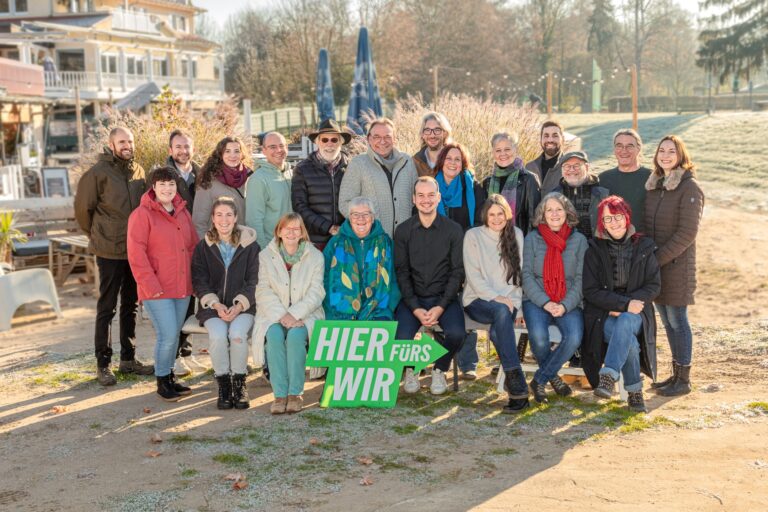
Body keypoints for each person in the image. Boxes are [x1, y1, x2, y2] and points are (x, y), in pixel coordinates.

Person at [74, 126, 154, 386]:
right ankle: (103, 364)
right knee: (106, 307)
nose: (127, 145)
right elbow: (83, 210)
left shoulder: (139, 171)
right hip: (109, 250)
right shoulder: (97, 173)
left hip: (134, 250)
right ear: (111, 145)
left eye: (130, 141)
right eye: (121, 141)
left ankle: (128, 360)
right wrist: (98, 236)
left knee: (130, 306)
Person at [582, 196, 661, 412]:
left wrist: (627, 307)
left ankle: (608, 375)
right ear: (602, 223)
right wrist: (620, 305)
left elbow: (653, 286)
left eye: (617, 216)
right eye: (607, 219)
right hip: (604, 314)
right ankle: (635, 394)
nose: (613, 222)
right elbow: (590, 290)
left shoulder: (644, 246)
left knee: (627, 321)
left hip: (637, 313)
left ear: (626, 217)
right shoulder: (594, 250)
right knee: (630, 344)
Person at [127, 167, 199, 401]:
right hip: (157, 288)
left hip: (182, 286)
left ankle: (169, 376)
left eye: (171, 184)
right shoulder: (142, 214)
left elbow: (192, 247)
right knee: (167, 335)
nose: (167, 189)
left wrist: (196, 280)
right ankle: (161, 381)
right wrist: (149, 285)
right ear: (153, 187)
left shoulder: (182, 212)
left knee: (174, 334)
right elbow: (136, 254)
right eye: (162, 185)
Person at [644, 135, 704, 397]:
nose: (665, 155)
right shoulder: (656, 186)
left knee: (678, 320)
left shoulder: (690, 188)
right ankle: (675, 375)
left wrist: (657, 258)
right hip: (657, 267)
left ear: (681, 156)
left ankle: (684, 379)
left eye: (671, 151)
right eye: (662, 151)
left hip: (677, 266)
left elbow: (688, 233)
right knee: (667, 322)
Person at [394, 176, 465, 395]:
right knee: (401, 337)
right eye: (421, 196)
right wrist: (415, 307)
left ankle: (439, 369)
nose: (426, 200)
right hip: (412, 299)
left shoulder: (453, 230)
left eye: (431, 195)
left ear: (438, 198)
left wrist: (441, 306)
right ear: (414, 199)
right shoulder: (403, 231)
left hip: (444, 298)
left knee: (456, 334)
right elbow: (402, 273)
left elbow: (457, 272)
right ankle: (411, 369)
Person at [191, 197, 260, 410]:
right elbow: (199, 281)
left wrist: (239, 306)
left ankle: (239, 384)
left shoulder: (250, 246)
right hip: (213, 308)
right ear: (212, 218)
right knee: (219, 336)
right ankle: (223, 385)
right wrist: (216, 304)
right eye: (219, 215)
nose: (224, 219)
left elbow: (254, 280)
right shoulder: (203, 247)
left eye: (229, 214)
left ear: (236, 218)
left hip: (244, 307)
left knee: (237, 336)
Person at [253, 213, 325, 414]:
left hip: (306, 314)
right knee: (274, 335)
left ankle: (295, 393)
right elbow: (263, 290)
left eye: (296, 228)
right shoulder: (266, 256)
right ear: (279, 231)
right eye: (287, 228)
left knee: (295, 336)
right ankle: (280, 394)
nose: (292, 233)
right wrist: (282, 316)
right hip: (273, 314)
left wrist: (295, 314)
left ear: (302, 232)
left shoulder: (315, 256)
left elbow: (316, 291)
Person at [463, 194, 528, 412]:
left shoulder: (516, 235)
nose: (496, 218)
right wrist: (497, 297)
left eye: (500, 214)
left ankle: (518, 391)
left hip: (508, 303)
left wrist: (516, 304)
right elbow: (473, 276)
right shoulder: (473, 236)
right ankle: (517, 382)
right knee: (500, 311)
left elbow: (521, 274)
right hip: (478, 300)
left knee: (497, 331)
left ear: (507, 215)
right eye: (492, 214)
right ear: (485, 216)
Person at [522, 192, 587, 403]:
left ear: (567, 213)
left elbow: (581, 279)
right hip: (537, 300)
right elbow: (527, 276)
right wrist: (546, 302)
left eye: (559, 209)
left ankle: (539, 379)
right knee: (539, 338)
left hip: (568, 301)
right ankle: (554, 379)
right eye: (549, 209)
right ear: (542, 214)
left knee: (574, 337)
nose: (554, 213)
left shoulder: (579, 241)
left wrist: (565, 305)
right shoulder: (532, 238)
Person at [434, 142, 485, 379]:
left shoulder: (473, 188)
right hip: (439, 258)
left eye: (458, 159)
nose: (453, 163)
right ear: (441, 160)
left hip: (468, 256)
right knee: (441, 303)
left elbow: (481, 223)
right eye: (449, 158)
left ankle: (467, 362)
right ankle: (439, 360)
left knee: (465, 304)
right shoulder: (431, 188)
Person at [158, 129, 204, 377]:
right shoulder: (164, 176)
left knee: (191, 301)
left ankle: (185, 354)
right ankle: (173, 356)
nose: (183, 151)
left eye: (187, 146)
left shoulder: (201, 174)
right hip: (175, 247)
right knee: (177, 302)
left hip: (199, 244)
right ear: (170, 150)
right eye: (178, 146)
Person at [338, 118, 418, 237]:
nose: (382, 141)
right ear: (369, 139)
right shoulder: (358, 164)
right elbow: (345, 204)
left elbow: (416, 199)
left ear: (394, 139)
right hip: (373, 241)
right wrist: (364, 229)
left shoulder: (407, 161)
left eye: (387, 137)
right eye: (376, 137)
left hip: (405, 239)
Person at [323, 197, 400, 320]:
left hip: (379, 311)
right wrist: (330, 307)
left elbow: (397, 276)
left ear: (373, 217)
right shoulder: (336, 243)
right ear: (349, 218)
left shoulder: (386, 243)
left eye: (366, 214)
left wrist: (390, 306)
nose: (361, 219)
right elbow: (323, 276)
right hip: (339, 311)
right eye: (355, 214)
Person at [292, 119, 351, 249]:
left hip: (346, 239)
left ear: (341, 142)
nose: (329, 144)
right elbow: (299, 207)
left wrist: (346, 229)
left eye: (334, 140)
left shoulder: (351, 167)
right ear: (317, 142)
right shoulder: (302, 169)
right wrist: (329, 227)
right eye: (324, 140)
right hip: (315, 242)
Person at [482, 131, 541, 235]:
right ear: (493, 153)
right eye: (498, 150)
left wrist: (527, 247)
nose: (503, 154)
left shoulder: (528, 179)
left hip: (519, 243)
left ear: (515, 150)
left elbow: (534, 220)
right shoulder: (487, 182)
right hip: (492, 243)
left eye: (507, 149)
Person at [193, 136, 251, 238]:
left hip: (245, 243)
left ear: (242, 154)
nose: (232, 155)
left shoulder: (250, 178)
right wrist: (208, 248)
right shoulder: (208, 181)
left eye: (236, 151)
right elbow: (199, 222)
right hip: (219, 245)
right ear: (220, 154)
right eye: (227, 151)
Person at [599, 129, 652, 232]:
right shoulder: (603, 179)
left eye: (629, 146)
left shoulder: (652, 177)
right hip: (613, 243)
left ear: (639, 148)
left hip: (645, 242)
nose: (624, 150)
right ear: (614, 149)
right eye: (619, 146)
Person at [246, 132, 293, 246]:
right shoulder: (258, 179)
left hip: (292, 245)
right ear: (264, 150)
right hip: (271, 247)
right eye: (272, 147)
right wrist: (263, 251)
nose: (278, 150)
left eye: (282, 146)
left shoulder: (291, 174)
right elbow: (254, 220)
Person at [555, 150, 609, 240]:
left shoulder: (603, 195)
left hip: (596, 250)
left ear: (587, 167)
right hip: (566, 250)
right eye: (567, 166)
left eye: (576, 166)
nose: (571, 170)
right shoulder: (554, 196)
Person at [526, 120, 564, 194]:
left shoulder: (568, 167)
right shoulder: (529, 167)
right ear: (540, 139)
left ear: (562, 139)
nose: (550, 140)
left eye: (555, 136)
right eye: (546, 136)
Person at [412, 112, 452, 177]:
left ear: (445, 133)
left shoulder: (456, 159)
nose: (432, 135)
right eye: (427, 130)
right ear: (422, 134)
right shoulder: (415, 162)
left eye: (437, 130)